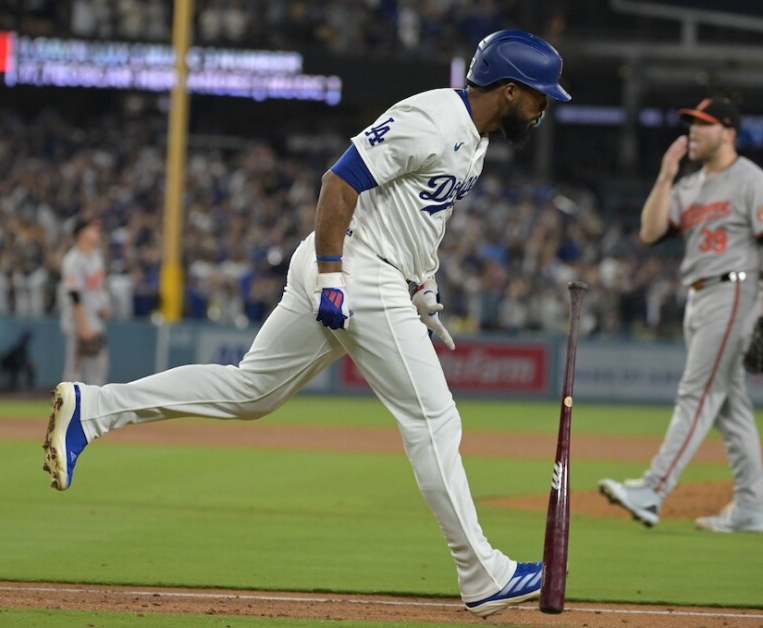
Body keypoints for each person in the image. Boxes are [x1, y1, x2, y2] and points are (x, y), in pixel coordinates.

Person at [43, 30, 570, 617]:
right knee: (435, 420)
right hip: (355, 268)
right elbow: (339, 182)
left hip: (371, 270)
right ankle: (482, 574)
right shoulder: (433, 117)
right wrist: (332, 276)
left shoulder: (475, 139)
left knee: (250, 393)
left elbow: (419, 215)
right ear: (508, 90)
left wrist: (424, 286)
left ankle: (94, 408)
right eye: (539, 97)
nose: (544, 108)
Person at [599, 98, 763, 533]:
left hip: (735, 288)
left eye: (704, 124)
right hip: (701, 295)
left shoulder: (752, 180)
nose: (693, 131)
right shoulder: (689, 185)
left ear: (729, 131)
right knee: (729, 407)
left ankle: (653, 490)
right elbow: (649, 233)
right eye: (691, 124)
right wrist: (666, 176)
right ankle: (751, 508)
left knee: (697, 394)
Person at [59, 217, 110, 386]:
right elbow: (74, 295)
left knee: (99, 366)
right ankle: (67, 409)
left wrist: (103, 305)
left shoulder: (96, 256)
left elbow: (97, 287)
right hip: (77, 318)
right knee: (74, 369)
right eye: (92, 229)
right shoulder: (73, 259)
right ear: (82, 234)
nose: (96, 232)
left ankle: (95, 409)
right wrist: (83, 326)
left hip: (94, 317)